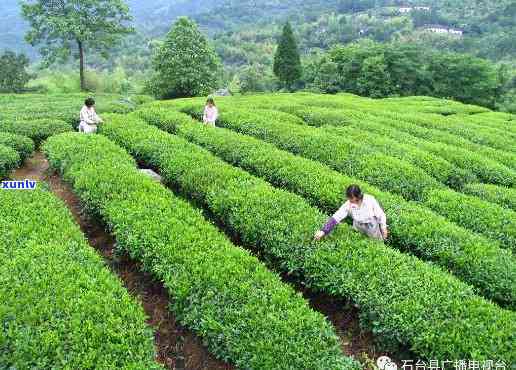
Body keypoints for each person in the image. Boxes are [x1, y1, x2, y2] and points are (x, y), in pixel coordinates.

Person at [314, 184, 388, 242]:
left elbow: (380, 215)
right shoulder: (349, 204)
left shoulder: (369, 200)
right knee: (360, 242)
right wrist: (323, 231)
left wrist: (383, 229)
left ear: (358, 196)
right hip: (358, 225)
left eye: (351, 198)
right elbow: (337, 216)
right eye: (349, 198)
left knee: (376, 243)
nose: (349, 200)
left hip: (371, 226)